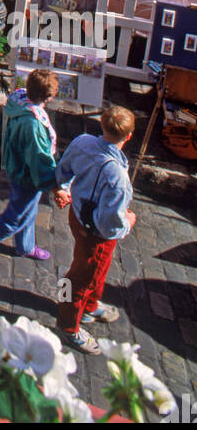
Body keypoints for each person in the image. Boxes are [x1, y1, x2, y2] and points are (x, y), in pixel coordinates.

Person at [54, 106, 137, 354]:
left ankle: (89, 305)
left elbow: (64, 169)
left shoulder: (83, 142)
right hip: (96, 234)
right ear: (129, 136)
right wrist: (129, 223)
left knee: (92, 269)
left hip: (77, 216)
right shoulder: (118, 178)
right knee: (79, 276)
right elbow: (110, 223)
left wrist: (63, 188)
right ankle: (67, 323)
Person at [0, 69, 59, 266]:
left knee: (29, 209)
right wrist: (51, 182)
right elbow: (38, 158)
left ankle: (25, 246)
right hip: (26, 174)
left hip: (15, 162)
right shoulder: (33, 124)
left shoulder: (18, 99)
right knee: (15, 218)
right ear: (48, 97)